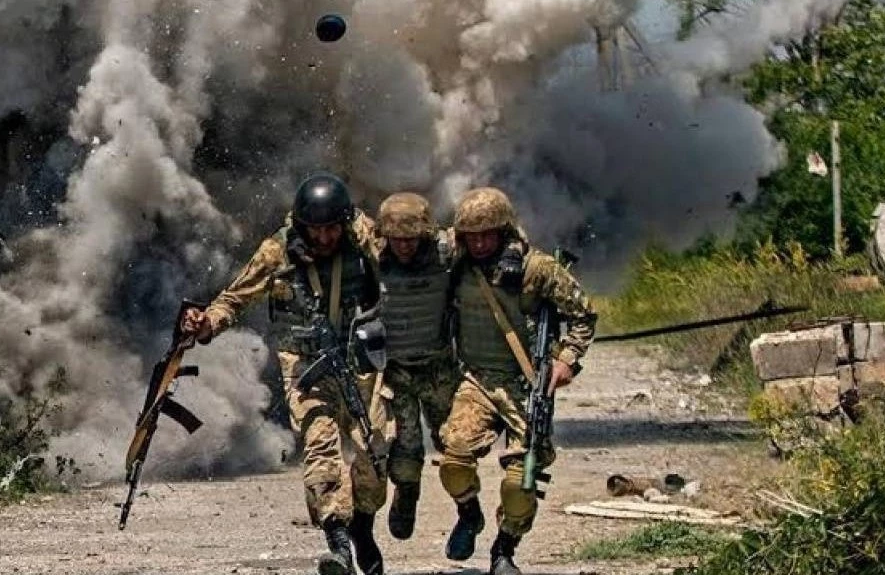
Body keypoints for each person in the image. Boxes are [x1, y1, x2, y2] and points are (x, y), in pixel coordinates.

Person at [181, 170, 393, 575]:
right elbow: (234, 298)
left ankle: (363, 528)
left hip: (359, 361)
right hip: (306, 366)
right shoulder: (276, 252)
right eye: (316, 230)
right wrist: (206, 324)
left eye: (332, 229)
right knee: (321, 450)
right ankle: (339, 543)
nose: (325, 237)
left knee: (375, 453)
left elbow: (400, 253)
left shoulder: (362, 236)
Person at [437, 187, 597, 575]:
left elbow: (584, 316)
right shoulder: (457, 262)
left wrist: (566, 360)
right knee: (454, 459)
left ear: (504, 231)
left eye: (487, 235)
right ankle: (469, 514)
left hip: (526, 385)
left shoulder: (536, 269)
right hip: (477, 381)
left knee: (520, 482)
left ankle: (504, 549)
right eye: (471, 236)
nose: (479, 243)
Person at [372, 192, 460, 541]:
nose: (404, 246)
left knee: (454, 445)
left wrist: (513, 252)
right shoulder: (372, 253)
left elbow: (502, 233)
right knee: (405, 447)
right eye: (396, 239)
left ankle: (468, 511)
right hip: (396, 371)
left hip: (438, 367)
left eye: (411, 239)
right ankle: (407, 494)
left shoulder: (446, 250)